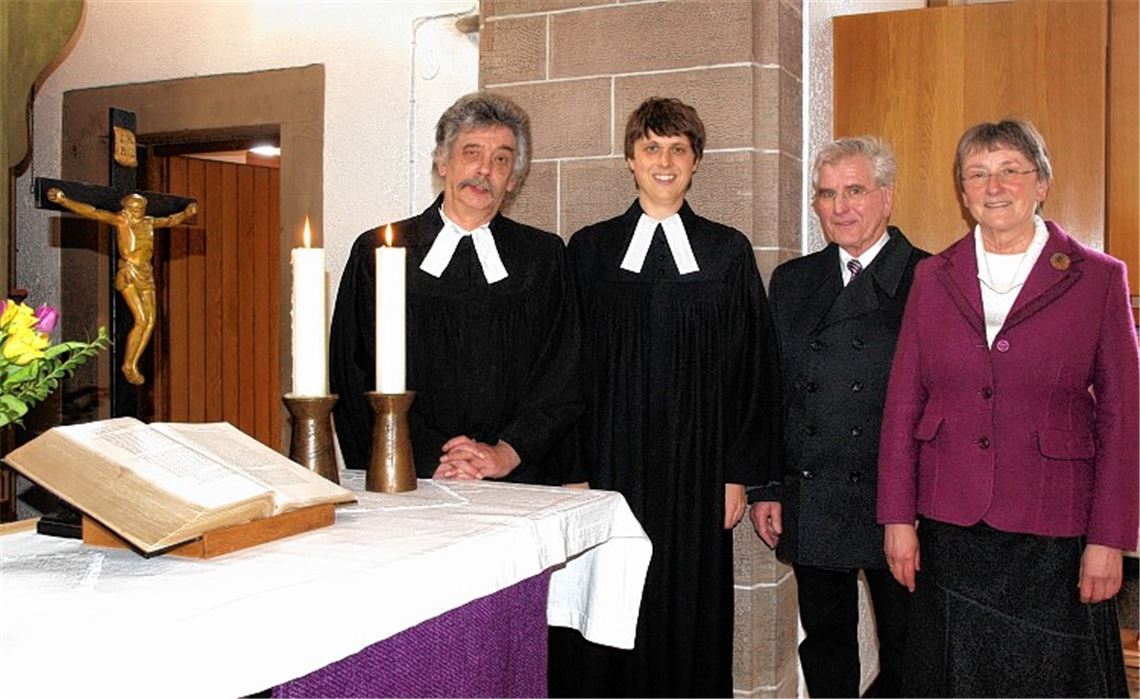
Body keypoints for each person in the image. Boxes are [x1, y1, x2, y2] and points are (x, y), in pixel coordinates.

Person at [877, 118, 1138, 697]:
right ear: (963, 193)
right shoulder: (931, 276)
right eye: (978, 174)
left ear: (1041, 183)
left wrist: (1110, 538)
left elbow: (1124, 419)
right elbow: (902, 403)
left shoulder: (1098, 278)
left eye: (1011, 171)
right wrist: (897, 518)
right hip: (951, 526)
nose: (995, 187)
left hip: (1054, 533)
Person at [551, 97, 781, 697]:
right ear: (630, 158)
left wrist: (738, 473)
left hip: (697, 470)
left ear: (696, 161)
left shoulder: (727, 252)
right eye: (652, 147)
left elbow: (752, 368)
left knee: (687, 605)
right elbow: (565, 369)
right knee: (610, 602)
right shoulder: (590, 250)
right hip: (609, 464)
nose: (665, 160)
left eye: (678, 148)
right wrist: (573, 469)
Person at [748, 136, 926, 698]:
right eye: (827, 194)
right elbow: (771, 392)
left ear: (886, 198)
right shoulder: (794, 281)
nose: (840, 206)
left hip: (897, 501)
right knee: (825, 642)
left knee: (910, 646)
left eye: (854, 191)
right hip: (814, 492)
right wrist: (767, 486)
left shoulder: (930, 278)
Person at [329, 92, 580, 484]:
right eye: (471, 152)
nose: (484, 169)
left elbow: (564, 374)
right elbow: (353, 371)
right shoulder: (379, 252)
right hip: (408, 476)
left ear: (514, 178)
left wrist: (506, 452)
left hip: (515, 479)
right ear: (442, 162)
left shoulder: (543, 258)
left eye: (501, 159)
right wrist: (431, 459)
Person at [46, 187, 197, 386]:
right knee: (141, 319)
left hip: (146, 273)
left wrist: (186, 213)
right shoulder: (121, 221)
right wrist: (64, 200)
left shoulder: (148, 222)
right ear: (125, 209)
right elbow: (93, 212)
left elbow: (169, 220)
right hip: (129, 272)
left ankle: (133, 363)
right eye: (134, 209)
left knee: (151, 321)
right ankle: (128, 365)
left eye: (141, 209)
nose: (137, 213)